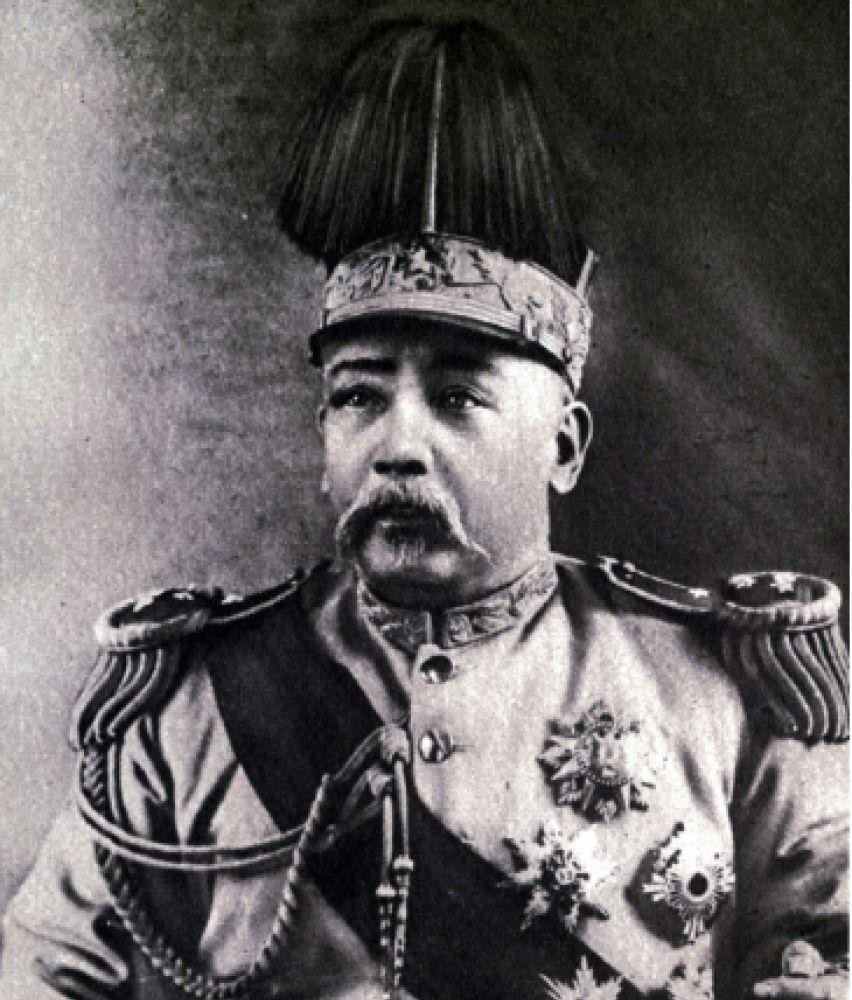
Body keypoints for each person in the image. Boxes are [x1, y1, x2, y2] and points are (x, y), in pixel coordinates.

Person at [1, 17, 847, 1000]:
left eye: (455, 396)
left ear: (564, 447)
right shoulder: (186, 715)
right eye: (359, 395)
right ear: (323, 435)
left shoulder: (724, 696)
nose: (397, 444)